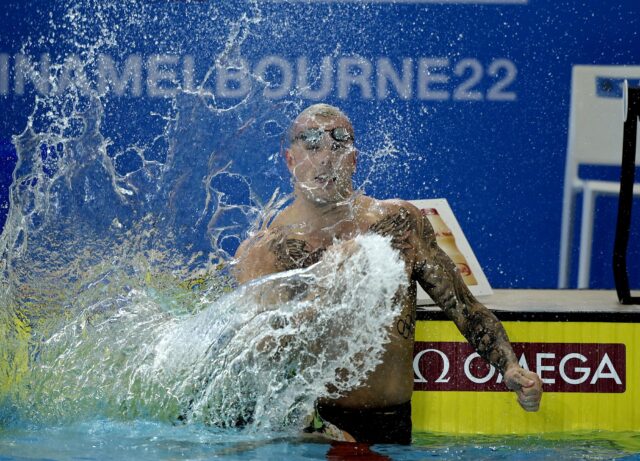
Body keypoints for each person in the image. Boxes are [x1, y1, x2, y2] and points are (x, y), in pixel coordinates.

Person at [233, 103, 543, 445]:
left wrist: (510, 368)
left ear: (354, 159)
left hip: (392, 426)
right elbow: (263, 361)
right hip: (313, 433)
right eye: (312, 147)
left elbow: (464, 306)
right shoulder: (265, 250)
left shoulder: (398, 224)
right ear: (291, 160)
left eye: (338, 147)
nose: (325, 160)